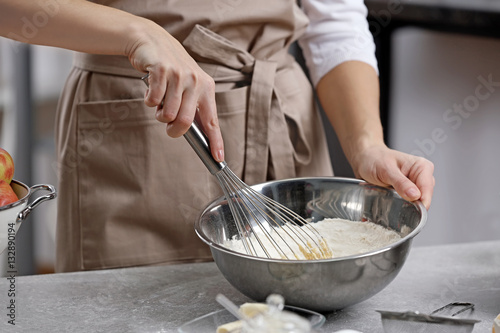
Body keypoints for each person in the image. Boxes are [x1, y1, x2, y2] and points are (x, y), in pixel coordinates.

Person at [0, 0, 434, 272]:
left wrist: (365, 144)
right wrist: (139, 32)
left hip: (278, 114)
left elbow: (334, 20)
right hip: (134, 121)